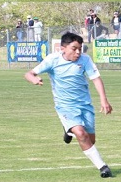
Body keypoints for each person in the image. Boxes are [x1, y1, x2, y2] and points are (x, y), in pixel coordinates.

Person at [24, 32, 113, 178]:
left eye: (80, 48)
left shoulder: (85, 59)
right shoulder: (52, 60)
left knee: (90, 140)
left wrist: (104, 100)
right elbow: (29, 73)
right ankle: (103, 167)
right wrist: (33, 79)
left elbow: (96, 79)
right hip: (65, 106)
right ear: (63, 48)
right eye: (74, 48)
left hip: (85, 105)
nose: (78, 52)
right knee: (81, 134)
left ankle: (68, 130)